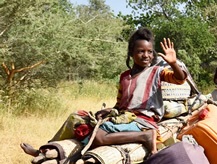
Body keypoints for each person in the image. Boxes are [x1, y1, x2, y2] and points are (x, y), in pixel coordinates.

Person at [21, 27, 187, 156]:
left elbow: (179, 79)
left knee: (98, 136)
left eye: (150, 52)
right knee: (76, 118)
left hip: (143, 121)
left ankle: (145, 136)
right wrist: (109, 111)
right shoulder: (124, 77)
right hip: (124, 118)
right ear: (131, 52)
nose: (146, 55)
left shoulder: (157, 72)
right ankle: (45, 150)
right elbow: (121, 103)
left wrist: (173, 63)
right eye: (141, 51)